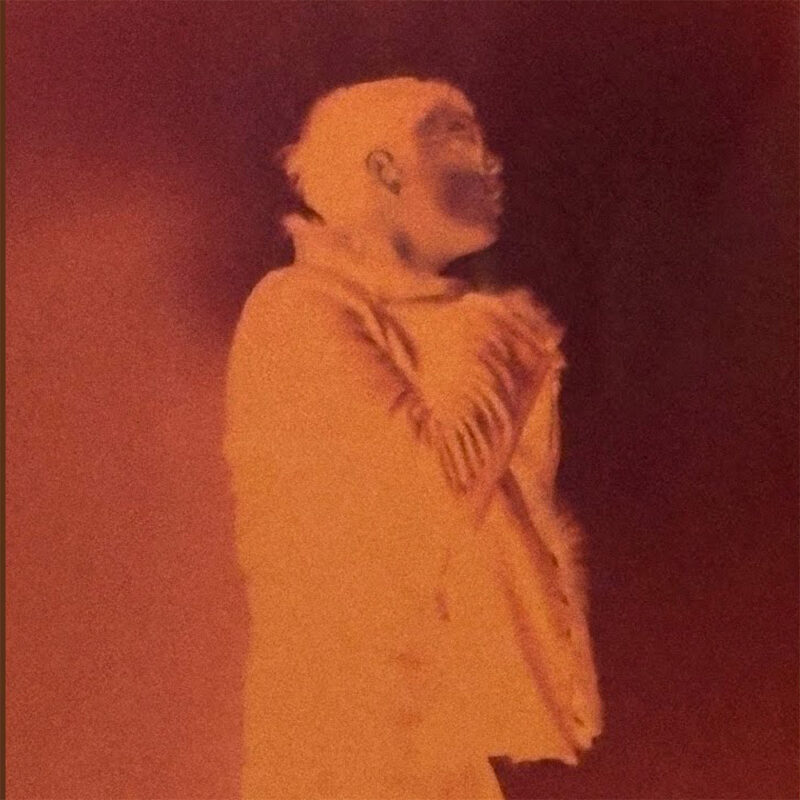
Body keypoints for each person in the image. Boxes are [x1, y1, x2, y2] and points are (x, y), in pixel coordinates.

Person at [223, 76, 603, 800]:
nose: (492, 164)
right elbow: (428, 495)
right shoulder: (297, 311)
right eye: (459, 137)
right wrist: (500, 342)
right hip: (354, 745)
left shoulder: (442, 325)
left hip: (439, 743)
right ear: (384, 169)